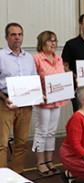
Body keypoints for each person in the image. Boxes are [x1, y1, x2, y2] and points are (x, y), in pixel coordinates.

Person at [0, 23, 37, 173]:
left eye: (20, 34)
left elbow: (34, 79)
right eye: (13, 34)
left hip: (26, 104)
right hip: (5, 103)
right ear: (6, 37)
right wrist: (3, 98)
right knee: (2, 143)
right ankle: (2, 176)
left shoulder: (28, 57)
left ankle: (17, 174)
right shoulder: (1, 56)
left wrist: (37, 96)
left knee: (21, 143)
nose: (17, 37)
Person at [32, 31, 68, 177]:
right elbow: (32, 80)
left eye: (55, 40)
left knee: (52, 131)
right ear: (42, 42)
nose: (53, 43)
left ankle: (49, 161)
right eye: (49, 41)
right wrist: (41, 94)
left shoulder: (58, 58)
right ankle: (40, 163)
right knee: (42, 131)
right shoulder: (36, 59)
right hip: (42, 102)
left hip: (57, 100)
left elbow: (62, 78)